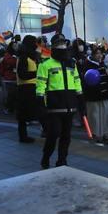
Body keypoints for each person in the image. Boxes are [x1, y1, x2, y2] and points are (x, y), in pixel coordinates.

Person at [37, 34, 83, 169]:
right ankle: (45, 158)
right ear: (53, 46)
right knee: (53, 134)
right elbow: (40, 86)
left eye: (64, 43)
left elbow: (77, 81)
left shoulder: (71, 63)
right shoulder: (45, 65)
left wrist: (81, 100)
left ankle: (62, 160)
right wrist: (41, 104)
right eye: (58, 44)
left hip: (69, 106)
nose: (62, 46)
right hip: (54, 107)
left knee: (66, 136)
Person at [83, 46, 108, 144]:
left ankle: (106, 134)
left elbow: (106, 80)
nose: (100, 55)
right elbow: (86, 81)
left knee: (107, 115)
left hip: (104, 95)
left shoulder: (102, 64)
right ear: (93, 55)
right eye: (97, 53)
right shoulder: (87, 65)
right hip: (93, 97)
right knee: (95, 117)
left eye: (101, 53)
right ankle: (96, 135)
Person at [16, 35, 39, 143]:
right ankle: (23, 136)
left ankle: (23, 136)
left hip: (30, 87)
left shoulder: (30, 56)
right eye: (34, 42)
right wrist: (37, 73)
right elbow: (22, 75)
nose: (36, 45)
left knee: (26, 115)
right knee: (24, 115)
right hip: (26, 89)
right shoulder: (24, 57)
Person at [0, 42, 18, 115]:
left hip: (15, 77)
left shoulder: (16, 54)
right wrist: (16, 59)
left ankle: (11, 108)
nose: (16, 47)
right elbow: (11, 62)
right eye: (14, 46)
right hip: (9, 77)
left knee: (14, 94)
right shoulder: (8, 55)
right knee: (10, 94)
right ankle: (8, 108)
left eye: (17, 45)